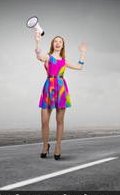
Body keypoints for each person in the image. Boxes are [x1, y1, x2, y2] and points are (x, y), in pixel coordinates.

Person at [34, 32, 87, 160]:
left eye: (60, 42)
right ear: (52, 44)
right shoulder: (48, 57)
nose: (57, 43)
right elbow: (39, 56)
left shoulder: (64, 61)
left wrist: (83, 52)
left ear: (63, 46)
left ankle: (58, 146)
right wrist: (38, 41)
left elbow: (79, 67)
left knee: (59, 121)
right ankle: (45, 146)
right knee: (44, 122)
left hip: (61, 88)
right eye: (55, 41)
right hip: (49, 87)